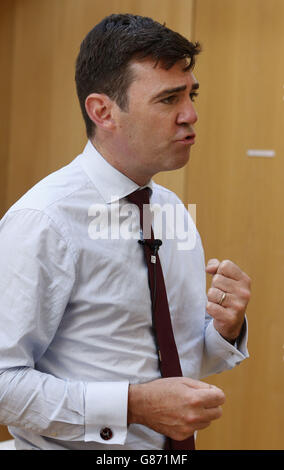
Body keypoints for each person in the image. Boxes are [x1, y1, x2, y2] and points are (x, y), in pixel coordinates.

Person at [0, 13, 251, 450]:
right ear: (103, 111)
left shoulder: (170, 210)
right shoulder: (43, 220)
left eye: (191, 94)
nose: (191, 115)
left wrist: (223, 332)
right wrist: (131, 406)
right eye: (169, 99)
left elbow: (161, 360)